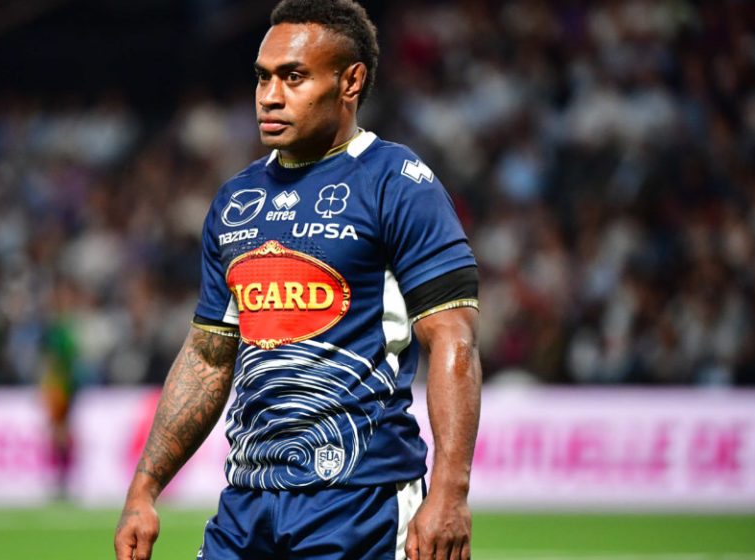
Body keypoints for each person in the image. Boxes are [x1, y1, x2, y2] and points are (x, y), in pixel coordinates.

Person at [115, 1, 482, 559]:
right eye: (263, 77)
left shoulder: (399, 183)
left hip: (361, 502)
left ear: (350, 81)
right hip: (247, 505)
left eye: (294, 77)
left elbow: (454, 338)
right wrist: (144, 488)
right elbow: (210, 357)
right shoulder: (236, 200)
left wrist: (451, 492)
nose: (269, 95)